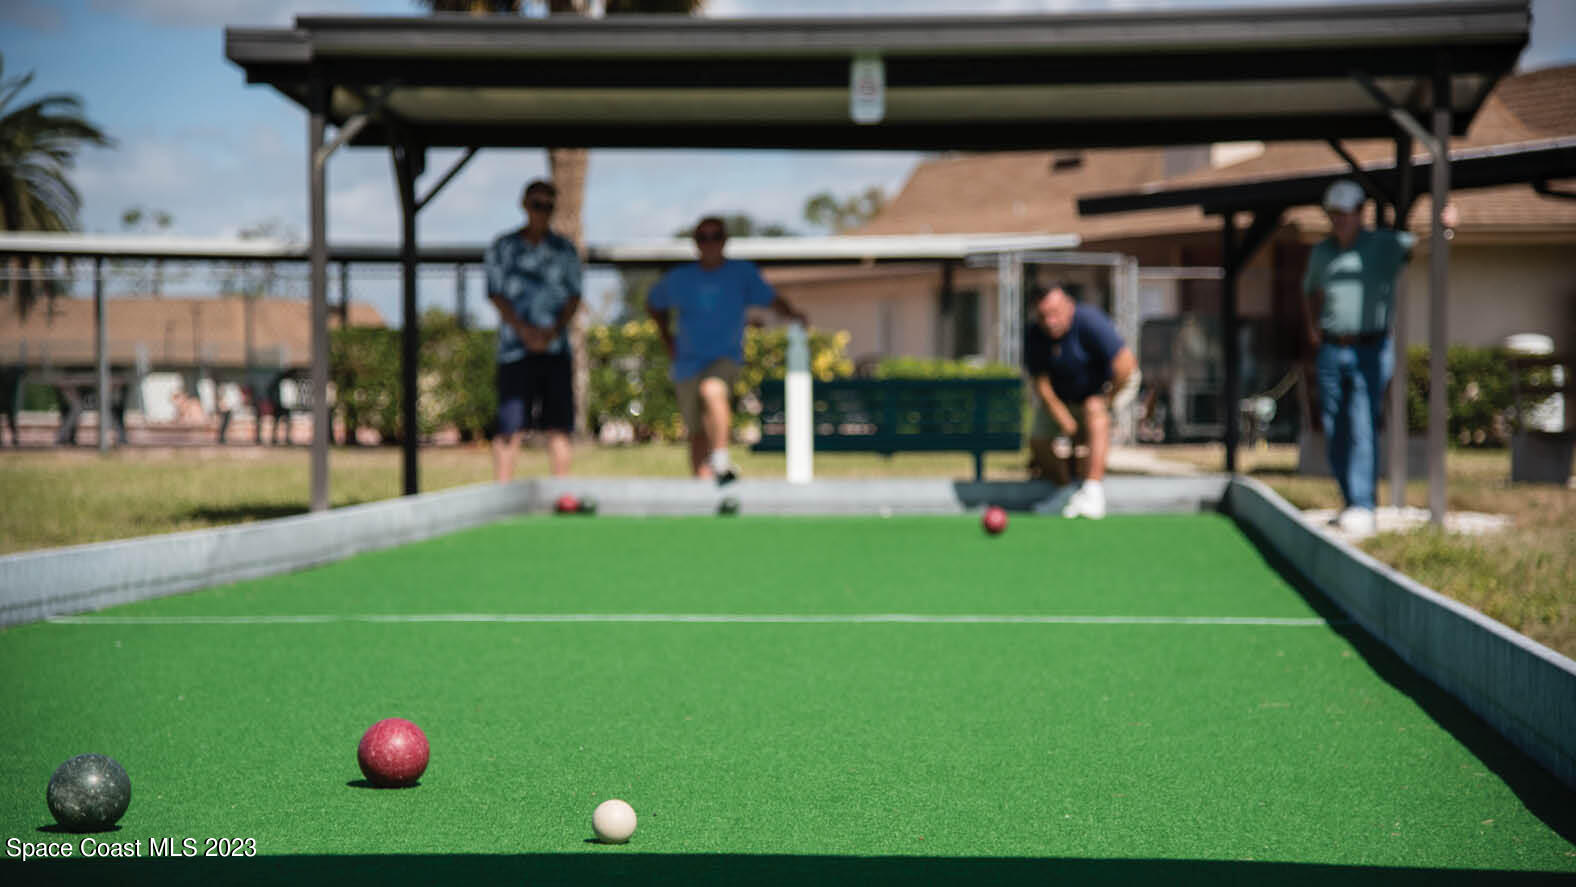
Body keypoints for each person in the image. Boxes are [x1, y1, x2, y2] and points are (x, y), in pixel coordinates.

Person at [648, 216, 806, 483]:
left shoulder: (741, 273)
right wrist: (667, 339)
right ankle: (704, 489)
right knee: (696, 431)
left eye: (716, 236)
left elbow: (771, 299)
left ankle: (721, 459)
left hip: (725, 357)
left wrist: (794, 315)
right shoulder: (679, 278)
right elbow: (654, 304)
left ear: (725, 240)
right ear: (696, 243)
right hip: (686, 362)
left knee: (712, 389)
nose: (710, 243)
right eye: (703, 238)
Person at [1301, 179, 1415, 536]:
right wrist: (1313, 329)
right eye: (1333, 215)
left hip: (1371, 348)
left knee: (1361, 420)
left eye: (1345, 215)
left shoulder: (1382, 244)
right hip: (1333, 348)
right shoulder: (1323, 252)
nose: (1339, 222)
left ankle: (1364, 504)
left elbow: (1419, 245)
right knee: (1335, 425)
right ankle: (1350, 497)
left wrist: (1446, 225)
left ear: (1360, 213)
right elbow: (1309, 291)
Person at [486, 179, 582, 482]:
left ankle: (561, 496)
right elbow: (495, 293)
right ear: (524, 205)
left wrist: (551, 332)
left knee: (559, 427)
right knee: (508, 427)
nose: (541, 211)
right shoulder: (503, 247)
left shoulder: (565, 250)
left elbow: (573, 296)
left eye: (547, 206)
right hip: (515, 351)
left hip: (556, 352)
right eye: (536, 204)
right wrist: (525, 331)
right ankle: (501, 494)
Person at [1024, 284, 1140, 519]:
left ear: (1069, 307)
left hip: (1114, 385)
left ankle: (1093, 492)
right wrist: (1064, 419)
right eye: (1043, 316)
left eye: (1055, 313)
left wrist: (1107, 401)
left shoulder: (1090, 321)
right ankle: (1067, 493)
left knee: (1094, 410)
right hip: (1066, 396)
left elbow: (1125, 365)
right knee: (1038, 440)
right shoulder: (1035, 334)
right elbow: (1041, 385)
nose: (1050, 321)